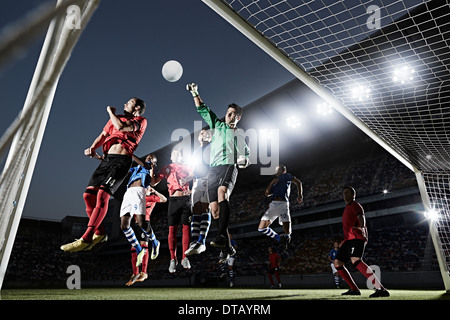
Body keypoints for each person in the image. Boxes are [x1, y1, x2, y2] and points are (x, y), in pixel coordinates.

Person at [61, 98, 147, 252]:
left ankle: (86, 238)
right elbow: (103, 134)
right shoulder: (115, 118)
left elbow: (121, 127)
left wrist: (110, 112)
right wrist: (93, 148)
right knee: (88, 196)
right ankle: (100, 233)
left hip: (121, 161)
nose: (125, 103)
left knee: (103, 195)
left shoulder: (140, 120)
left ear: (137, 107)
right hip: (106, 161)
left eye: (130, 102)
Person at [186, 83, 249, 259]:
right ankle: (227, 247)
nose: (227, 115)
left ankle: (221, 236)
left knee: (223, 193)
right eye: (227, 113)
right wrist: (195, 93)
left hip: (229, 166)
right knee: (214, 210)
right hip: (212, 170)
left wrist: (243, 160)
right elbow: (203, 110)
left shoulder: (239, 135)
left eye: (231, 114)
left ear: (237, 117)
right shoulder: (218, 126)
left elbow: (246, 156)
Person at [334, 186, 390, 298]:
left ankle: (381, 289)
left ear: (353, 195)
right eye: (343, 193)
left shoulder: (355, 205)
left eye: (347, 192)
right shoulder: (347, 207)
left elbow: (361, 216)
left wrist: (361, 227)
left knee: (355, 260)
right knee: (337, 263)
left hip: (357, 237)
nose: (344, 195)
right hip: (348, 239)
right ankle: (354, 289)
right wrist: (344, 241)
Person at [126, 155, 167, 286]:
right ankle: (135, 273)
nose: (147, 189)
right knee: (134, 248)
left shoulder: (152, 197)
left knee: (144, 246)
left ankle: (144, 272)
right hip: (135, 221)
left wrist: (154, 190)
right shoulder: (139, 195)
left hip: (145, 222)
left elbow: (164, 199)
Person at [152, 148, 193, 273]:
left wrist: (188, 182)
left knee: (186, 229)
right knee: (172, 230)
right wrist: (152, 168)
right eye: (173, 153)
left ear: (181, 156)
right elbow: (154, 182)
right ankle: (172, 259)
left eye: (178, 153)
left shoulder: (187, 166)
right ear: (171, 157)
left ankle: (185, 257)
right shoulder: (166, 168)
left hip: (186, 199)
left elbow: (194, 176)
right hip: (173, 201)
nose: (175, 154)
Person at [258, 165, 302, 249]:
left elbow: (298, 182)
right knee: (261, 228)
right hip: (273, 204)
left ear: (283, 171)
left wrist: (300, 195)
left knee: (287, 231)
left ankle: (287, 237)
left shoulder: (286, 176)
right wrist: (271, 183)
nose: (276, 171)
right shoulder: (275, 182)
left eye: (277, 169)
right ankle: (279, 238)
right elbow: (266, 194)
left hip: (283, 204)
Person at [185, 129, 212, 256]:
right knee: (196, 210)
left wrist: (212, 179)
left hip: (208, 180)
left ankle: (202, 242)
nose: (203, 134)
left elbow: (216, 165)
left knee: (205, 208)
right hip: (197, 182)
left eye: (206, 133)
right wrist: (187, 179)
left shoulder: (212, 148)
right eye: (201, 133)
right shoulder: (195, 152)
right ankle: (194, 241)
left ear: (210, 137)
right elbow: (194, 170)